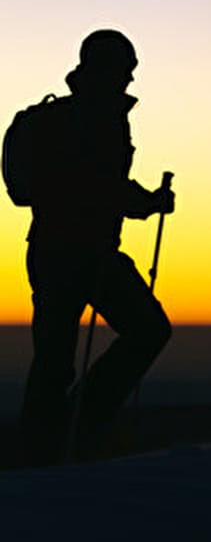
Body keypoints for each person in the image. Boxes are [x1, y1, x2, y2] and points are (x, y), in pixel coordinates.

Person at [7, 30, 175, 465]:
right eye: (126, 70)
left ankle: (56, 436)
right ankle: (55, 441)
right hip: (71, 252)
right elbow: (96, 184)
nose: (131, 79)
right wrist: (145, 203)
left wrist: (143, 203)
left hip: (71, 250)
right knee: (65, 356)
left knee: (61, 355)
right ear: (107, 68)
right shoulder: (84, 118)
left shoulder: (97, 116)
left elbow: (102, 184)